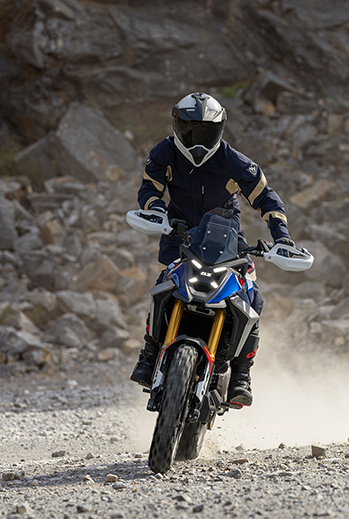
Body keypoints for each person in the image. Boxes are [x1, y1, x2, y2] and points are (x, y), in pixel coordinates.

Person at [129, 92, 296, 407]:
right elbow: (149, 187)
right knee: (164, 286)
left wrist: (282, 237)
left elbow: (267, 199)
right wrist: (154, 210)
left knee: (252, 299)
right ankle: (150, 354)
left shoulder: (234, 162)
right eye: (189, 130)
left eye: (205, 131)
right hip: (179, 237)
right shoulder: (164, 152)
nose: (196, 140)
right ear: (177, 127)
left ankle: (241, 376)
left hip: (226, 241)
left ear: (219, 130)